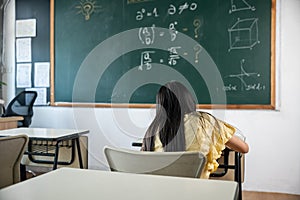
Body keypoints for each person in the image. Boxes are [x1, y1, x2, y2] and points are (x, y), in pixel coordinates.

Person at [141, 81, 249, 179]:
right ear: (188, 99)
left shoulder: (153, 130)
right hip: (195, 191)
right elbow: (244, 148)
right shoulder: (204, 122)